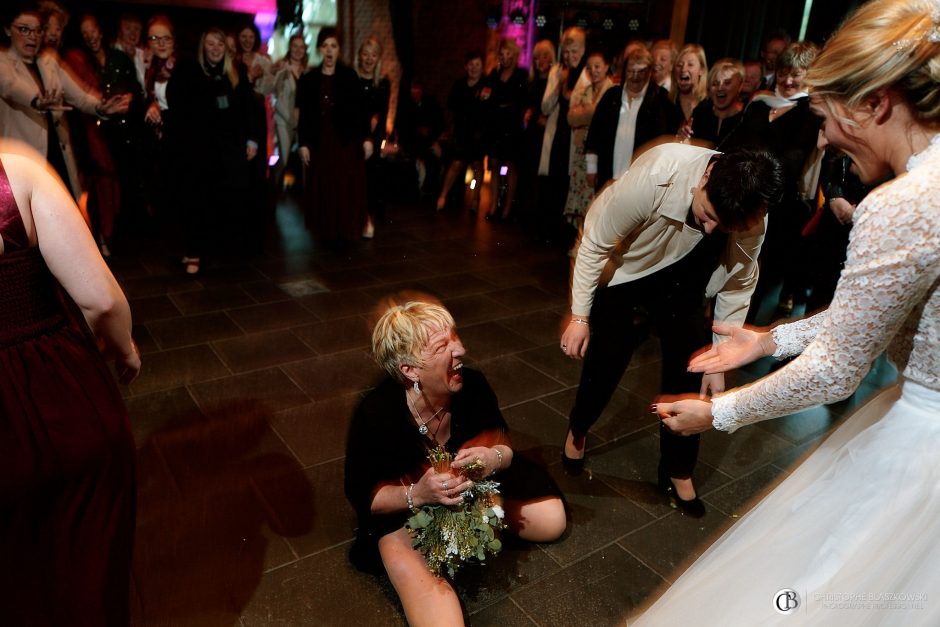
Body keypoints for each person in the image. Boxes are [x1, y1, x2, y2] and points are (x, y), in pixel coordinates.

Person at [639, 0, 940, 622]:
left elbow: (838, 370)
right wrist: (768, 340)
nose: (823, 136)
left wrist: (717, 412)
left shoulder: (903, 203)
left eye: (827, 117)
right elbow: (870, 315)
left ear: (877, 103)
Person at [560, 143, 784, 519]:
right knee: (607, 359)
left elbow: (737, 285)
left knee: (691, 373)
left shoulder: (751, 216)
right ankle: (579, 428)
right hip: (630, 273)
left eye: (723, 227)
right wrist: (580, 316)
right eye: (708, 214)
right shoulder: (656, 175)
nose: (712, 229)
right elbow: (596, 240)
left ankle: (679, 469)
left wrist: (718, 360)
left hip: (688, 283)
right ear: (707, 177)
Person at [345, 300, 566, 626]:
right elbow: (366, 497)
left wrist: (493, 458)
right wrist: (418, 495)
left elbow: (503, 442)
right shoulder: (377, 414)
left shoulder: (472, 385)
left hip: (473, 490)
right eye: (442, 346)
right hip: (405, 514)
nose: (460, 349)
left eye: (455, 337)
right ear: (410, 369)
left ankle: (461, 541)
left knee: (552, 521)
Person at [0, 140, 140, 625]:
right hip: (56, 396)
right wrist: (126, 351)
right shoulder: (16, 175)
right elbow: (102, 301)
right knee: (85, 561)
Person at [722, 42, 822, 322]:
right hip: (741, 196)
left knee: (761, 274)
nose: (788, 81)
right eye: (783, 73)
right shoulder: (759, 103)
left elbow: (793, 161)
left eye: (796, 74)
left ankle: (743, 329)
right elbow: (732, 144)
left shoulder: (811, 111)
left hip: (778, 205)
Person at [0, 3, 130, 200]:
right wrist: (36, 101)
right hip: (25, 161)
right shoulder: (2, 61)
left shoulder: (48, 60)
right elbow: (9, 86)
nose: (32, 36)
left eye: (37, 30)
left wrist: (100, 107)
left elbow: (79, 95)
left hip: (58, 157)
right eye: (24, 29)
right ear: (8, 29)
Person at [167, 26, 261, 274]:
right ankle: (194, 252)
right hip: (198, 150)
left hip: (228, 151)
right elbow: (176, 103)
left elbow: (248, 108)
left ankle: (215, 250)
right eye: (211, 44)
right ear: (203, 47)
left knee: (222, 200)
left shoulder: (235, 72)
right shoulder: (190, 71)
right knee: (196, 199)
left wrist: (252, 140)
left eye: (220, 44)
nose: (216, 49)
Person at [296, 27, 369, 244]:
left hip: (344, 140)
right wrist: (303, 143)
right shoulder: (309, 79)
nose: (329, 51)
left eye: (334, 46)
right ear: (319, 49)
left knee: (344, 185)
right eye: (325, 46)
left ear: (339, 50)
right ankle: (327, 231)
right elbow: (305, 116)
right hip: (320, 140)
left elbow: (360, 111)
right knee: (324, 185)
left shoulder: (349, 76)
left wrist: (366, 138)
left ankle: (344, 231)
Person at [583, 48, 681, 192]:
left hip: (641, 183)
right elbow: (595, 133)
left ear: (649, 73)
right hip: (608, 178)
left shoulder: (660, 99)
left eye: (641, 72)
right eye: (630, 71)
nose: (635, 77)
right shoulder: (611, 97)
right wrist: (591, 168)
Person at [563, 49, 613, 233]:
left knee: (594, 198)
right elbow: (570, 118)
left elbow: (601, 119)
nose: (594, 71)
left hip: (598, 150)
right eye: (590, 67)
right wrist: (590, 113)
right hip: (581, 149)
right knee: (579, 198)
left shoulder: (612, 91)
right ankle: (578, 239)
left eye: (597, 66)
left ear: (607, 66)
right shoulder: (585, 90)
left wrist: (585, 113)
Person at [481, 37, 528, 222]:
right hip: (495, 126)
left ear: (514, 56)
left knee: (509, 167)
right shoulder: (494, 74)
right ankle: (493, 205)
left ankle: (507, 208)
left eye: (508, 54)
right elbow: (487, 99)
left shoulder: (521, 75)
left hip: (512, 127)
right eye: (502, 54)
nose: (505, 57)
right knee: (494, 165)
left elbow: (520, 102)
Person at [437, 50, 485, 213]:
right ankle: (443, 195)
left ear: (482, 67)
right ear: (466, 67)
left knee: (477, 165)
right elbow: (451, 107)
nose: (474, 68)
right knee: (456, 163)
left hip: (478, 132)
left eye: (477, 65)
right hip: (462, 131)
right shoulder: (459, 84)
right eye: (471, 65)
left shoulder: (486, 85)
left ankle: (475, 198)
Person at [355, 35, 391, 237]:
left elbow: (382, 114)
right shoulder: (352, 79)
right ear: (359, 56)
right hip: (354, 135)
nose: (369, 59)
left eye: (373, 55)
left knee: (371, 177)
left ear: (378, 59)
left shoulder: (383, 83)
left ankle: (368, 217)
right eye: (365, 54)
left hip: (373, 137)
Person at [267, 33, 307, 191]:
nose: (298, 50)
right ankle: (271, 192)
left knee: (303, 159)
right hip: (284, 120)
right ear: (290, 48)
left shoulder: (306, 70)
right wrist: (291, 119)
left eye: (301, 47)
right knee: (282, 159)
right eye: (295, 46)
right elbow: (275, 96)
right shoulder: (283, 68)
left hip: (301, 121)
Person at [680, 58, 745, 146]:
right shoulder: (700, 114)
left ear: (740, 86)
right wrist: (682, 137)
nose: (720, 88)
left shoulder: (747, 118)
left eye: (727, 83)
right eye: (715, 83)